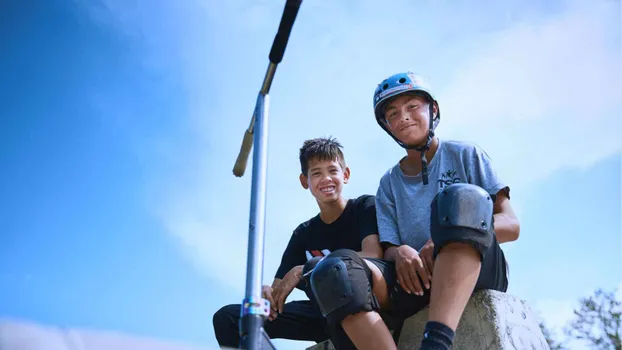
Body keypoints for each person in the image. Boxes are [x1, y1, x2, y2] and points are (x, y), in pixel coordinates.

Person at [306, 72, 521, 350]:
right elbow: (390, 249)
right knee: (332, 270)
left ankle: (436, 343)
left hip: (475, 264)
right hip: (416, 279)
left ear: (433, 110)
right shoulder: (388, 183)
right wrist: (402, 252)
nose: (403, 117)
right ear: (387, 126)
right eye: (393, 114)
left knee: (457, 200)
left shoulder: (466, 154)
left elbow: (511, 224)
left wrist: (447, 234)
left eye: (412, 107)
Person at [212, 136, 388, 349]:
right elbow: (278, 291)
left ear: (346, 174)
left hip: (364, 306)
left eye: (333, 170)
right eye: (316, 173)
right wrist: (268, 294)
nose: (326, 179)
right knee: (228, 317)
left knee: (322, 268)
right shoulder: (303, 233)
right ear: (305, 181)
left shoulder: (364, 207)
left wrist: (303, 270)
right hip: (319, 314)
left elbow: (373, 254)